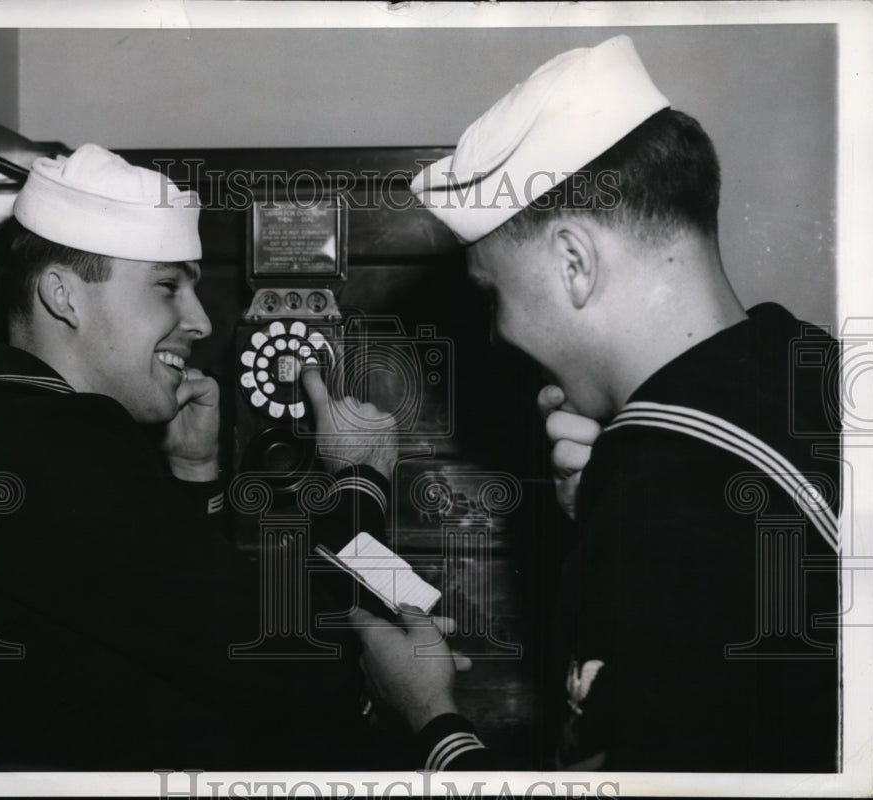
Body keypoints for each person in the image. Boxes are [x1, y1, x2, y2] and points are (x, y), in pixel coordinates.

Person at [0, 143, 472, 770]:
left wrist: (192, 476)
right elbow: (277, 651)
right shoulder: (42, 438)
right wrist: (360, 480)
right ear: (63, 296)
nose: (201, 321)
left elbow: (170, 619)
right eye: (168, 287)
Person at [358, 34, 841, 772]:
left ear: (574, 263)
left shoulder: (666, 507)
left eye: (494, 296)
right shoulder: (811, 368)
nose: (498, 335)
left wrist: (429, 718)